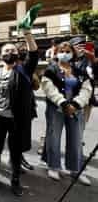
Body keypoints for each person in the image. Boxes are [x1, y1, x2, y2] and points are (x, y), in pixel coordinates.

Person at [0, 29, 38, 197]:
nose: (9, 53)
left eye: (12, 50)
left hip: (17, 120)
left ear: (18, 54)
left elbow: (34, 54)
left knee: (16, 152)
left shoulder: (24, 71)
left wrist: (28, 34)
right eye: (6, 51)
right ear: (0, 55)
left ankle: (15, 181)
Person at [41, 41, 92, 186]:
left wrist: (76, 104)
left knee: (76, 139)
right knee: (53, 137)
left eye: (68, 50)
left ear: (73, 54)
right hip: (56, 109)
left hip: (76, 109)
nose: (65, 53)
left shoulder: (79, 70)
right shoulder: (50, 70)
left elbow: (87, 88)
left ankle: (76, 169)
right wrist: (63, 103)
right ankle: (53, 166)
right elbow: (48, 88)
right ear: (56, 53)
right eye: (62, 50)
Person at [15, 41, 40, 172]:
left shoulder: (27, 66)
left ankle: (20, 157)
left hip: (27, 104)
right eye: (21, 50)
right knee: (16, 135)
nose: (24, 52)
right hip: (14, 107)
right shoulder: (12, 66)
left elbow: (36, 85)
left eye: (26, 50)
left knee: (24, 134)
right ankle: (16, 160)